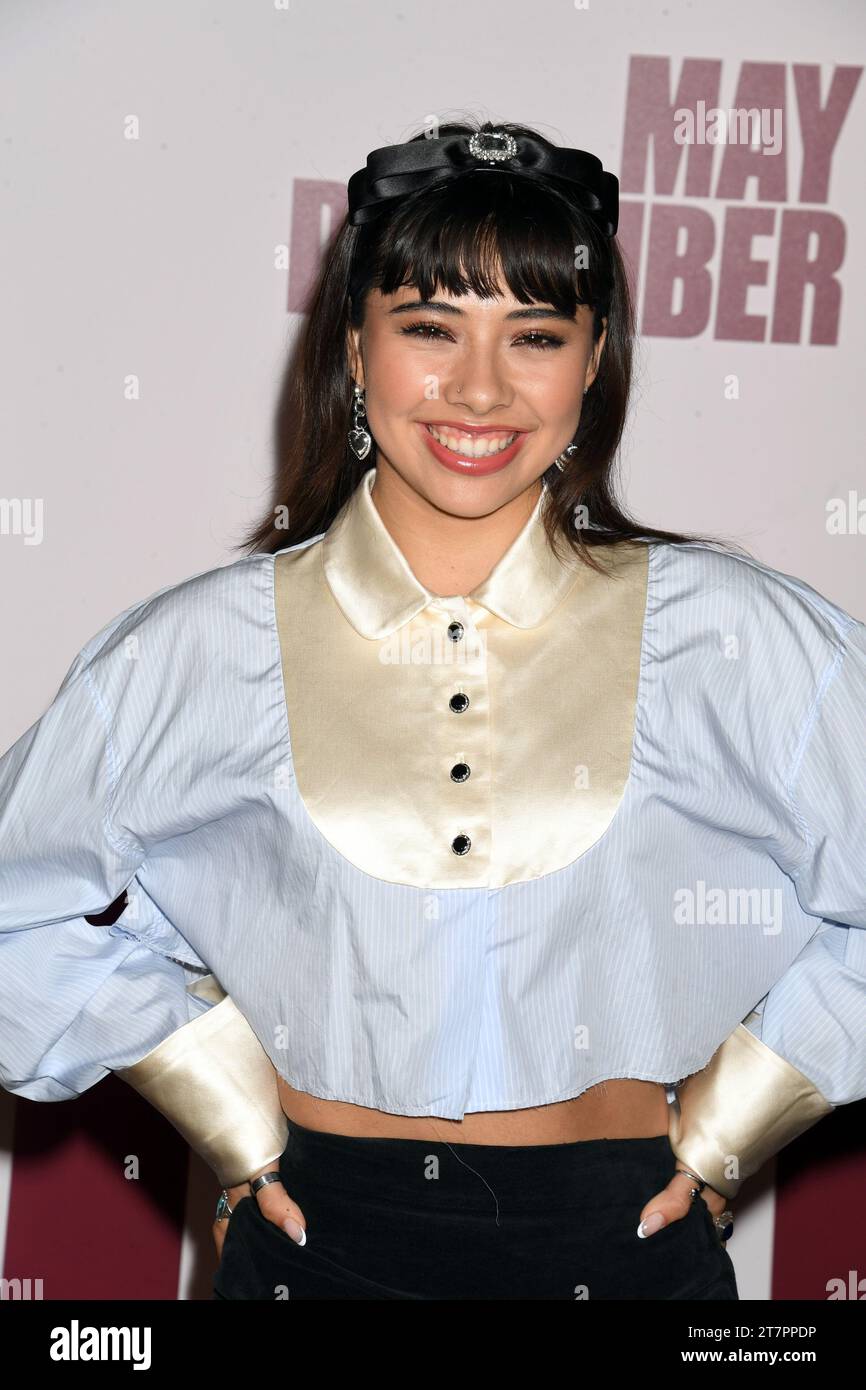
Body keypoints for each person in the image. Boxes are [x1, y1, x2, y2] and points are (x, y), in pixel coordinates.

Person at [1, 119, 864, 1302]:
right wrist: (226, 1108)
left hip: (620, 1247)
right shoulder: (198, 649)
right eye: (427, 328)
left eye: (535, 335)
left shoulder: (729, 635)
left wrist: (736, 1121)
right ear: (354, 348)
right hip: (316, 1243)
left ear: (592, 359)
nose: (478, 387)